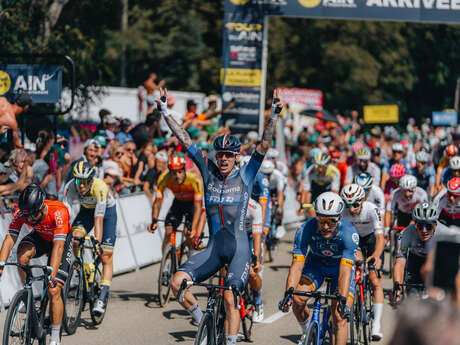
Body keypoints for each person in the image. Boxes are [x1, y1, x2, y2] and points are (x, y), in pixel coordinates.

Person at [162, 87, 280, 345]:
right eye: (220, 154)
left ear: (236, 157)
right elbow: (185, 140)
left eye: (229, 155)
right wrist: (165, 113)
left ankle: (230, 341)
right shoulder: (207, 171)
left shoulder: (246, 175)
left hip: (239, 250)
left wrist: (273, 116)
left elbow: (264, 144)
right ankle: (198, 319)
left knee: (230, 299)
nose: (224, 158)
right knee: (176, 283)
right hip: (215, 249)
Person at [280, 192, 358, 345]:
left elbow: (345, 271)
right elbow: (296, 265)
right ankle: (307, 331)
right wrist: (288, 292)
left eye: (331, 221)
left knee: (340, 316)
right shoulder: (305, 229)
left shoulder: (349, 233)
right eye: (321, 220)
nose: (326, 226)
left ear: (340, 218)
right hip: (316, 265)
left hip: (339, 270)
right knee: (297, 298)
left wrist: (342, 298)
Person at [0, 184, 72, 345]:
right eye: (27, 215)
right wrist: (0, 266)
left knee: (54, 290)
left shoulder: (58, 211)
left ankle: (54, 336)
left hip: (60, 241)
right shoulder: (22, 213)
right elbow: (9, 239)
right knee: (22, 255)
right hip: (41, 238)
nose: (30, 219)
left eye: (33, 214)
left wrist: (52, 274)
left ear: (42, 206)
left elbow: (58, 247)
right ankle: (29, 295)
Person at [63, 161, 117, 315]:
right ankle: (81, 269)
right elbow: (65, 214)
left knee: (106, 256)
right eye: (79, 180)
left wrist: (97, 243)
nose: (81, 185)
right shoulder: (70, 187)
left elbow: (98, 219)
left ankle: (102, 296)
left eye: (85, 181)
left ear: (92, 180)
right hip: (86, 211)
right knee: (75, 238)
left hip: (107, 214)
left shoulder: (100, 187)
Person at [340, 184, 385, 340]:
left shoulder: (372, 209)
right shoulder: (342, 212)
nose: (351, 209)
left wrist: (377, 256)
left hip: (371, 240)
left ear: (363, 200)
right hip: (353, 241)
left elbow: (380, 237)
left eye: (355, 204)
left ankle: (377, 324)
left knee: (374, 280)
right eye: (348, 204)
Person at [392, 202, 451, 303]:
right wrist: (397, 289)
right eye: (420, 226)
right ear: (415, 225)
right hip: (415, 260)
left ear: (435, 225)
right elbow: (400, 263)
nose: (424, 230)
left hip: (437, 262)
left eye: (428, 226)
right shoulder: (406, 233)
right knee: (411, 299)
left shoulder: (444, 233)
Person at [149, 155, 204, 253]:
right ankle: (166, 263)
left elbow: (198, 206)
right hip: (178, 203)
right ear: (169, 172)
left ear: (184, 170)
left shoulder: (194, 180)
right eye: (174, 173)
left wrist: (194, 228)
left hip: (192, 205)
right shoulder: (164, 178)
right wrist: (154, 219)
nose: (177, 175)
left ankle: (191, 260)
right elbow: (157, 202)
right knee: (168, 231)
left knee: (189, 234)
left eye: (180, 172)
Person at [245, 198, 264, 322]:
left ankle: (257, 302)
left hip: (251, 236)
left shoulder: (254, 207)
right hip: (235, 235)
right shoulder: (227, 201)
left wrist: (255, 259)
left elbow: (257, 236)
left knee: (252, 272)